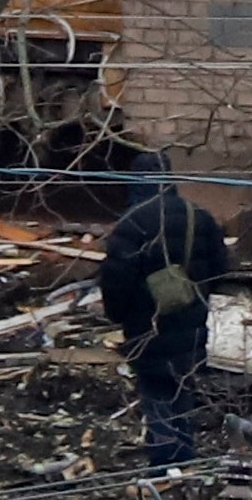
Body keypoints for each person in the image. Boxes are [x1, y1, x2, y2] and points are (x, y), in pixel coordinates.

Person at [97, 160, 234, 473]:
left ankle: (165, 466)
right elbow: (221, 265)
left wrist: (117, 316)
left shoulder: (133, 224)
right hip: (191, 321)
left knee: (156, 391)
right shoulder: (197, 215)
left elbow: (116, 280)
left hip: (147, 324)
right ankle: (183, 458)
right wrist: (196, 294)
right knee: (181, 387)